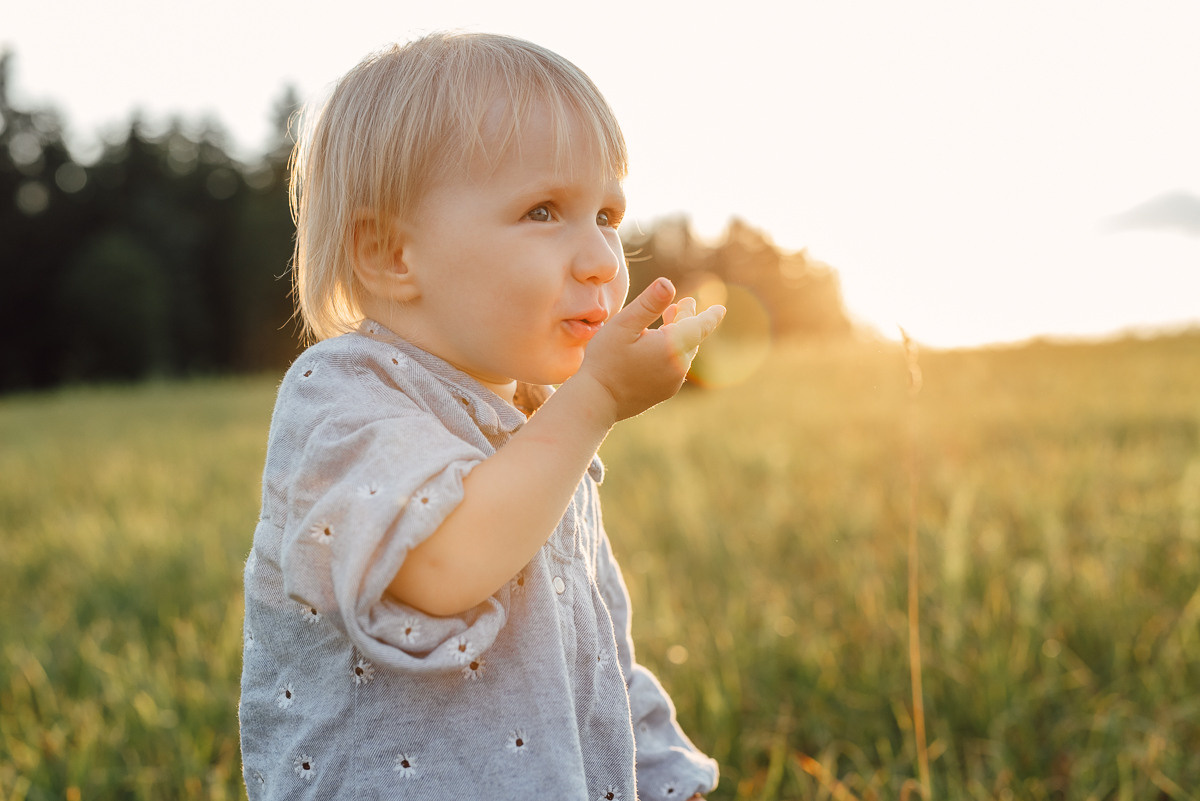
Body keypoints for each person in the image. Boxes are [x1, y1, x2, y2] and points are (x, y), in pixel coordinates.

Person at [239, 31, 725, 800]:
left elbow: (590, 645)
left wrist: (664, 773)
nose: (601, 256)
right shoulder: (342, 394)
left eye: (607, 213)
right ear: (393, 254)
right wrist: (593, 401)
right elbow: (442, 570)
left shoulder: (540, 427)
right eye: (543, 211)